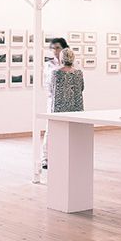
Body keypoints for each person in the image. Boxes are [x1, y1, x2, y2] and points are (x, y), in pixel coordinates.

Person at [41, 37, 68, 169]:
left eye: (58, 48)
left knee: (68, 129)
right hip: (53, 101)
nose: (55, 51)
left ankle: (65, 156)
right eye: (53, 48)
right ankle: (45, 158)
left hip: (68, 101)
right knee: (50, 129)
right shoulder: (49, 65)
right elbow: (47, 84)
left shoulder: (72, 64)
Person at [51, 48, 84, 116]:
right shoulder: (79, 73)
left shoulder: (56, 73)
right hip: (76, 107)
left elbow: (52, 89)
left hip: (59, 108)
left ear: (62, 58)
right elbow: (82, 88)